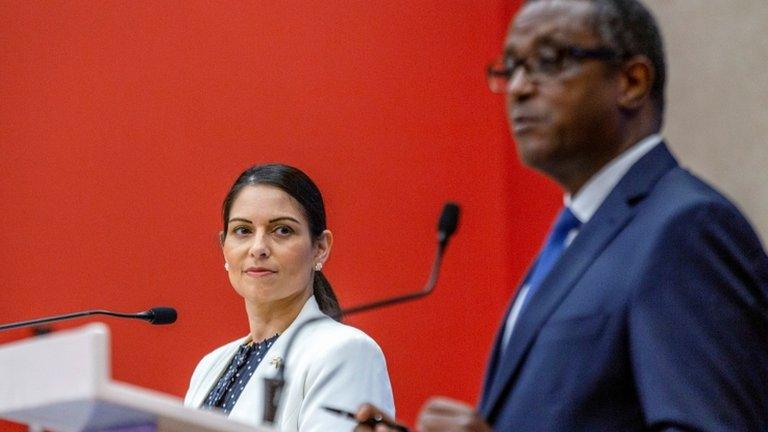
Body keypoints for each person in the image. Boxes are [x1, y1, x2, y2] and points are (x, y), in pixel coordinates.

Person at [356, 0, 768, 430]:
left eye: (549, 61)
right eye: (510, 67)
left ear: (631, 81)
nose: (518, 87)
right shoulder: (580, 232)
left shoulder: (687, 229)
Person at [184, 163, 395, 431]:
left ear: (320, 248)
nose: (258, 248)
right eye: (243, 231)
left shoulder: (345, 351)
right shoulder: (210, 366)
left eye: (282, 230)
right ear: (224, 247)